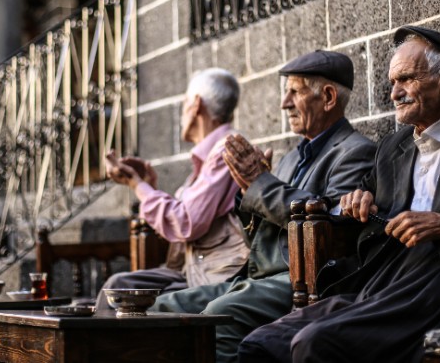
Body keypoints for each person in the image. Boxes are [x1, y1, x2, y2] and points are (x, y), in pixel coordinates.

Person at [239, 26, 440, 363]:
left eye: (406, 79)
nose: (394, 93)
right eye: (392, 82)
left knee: (316, 343)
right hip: (387, 277)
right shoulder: (393, 148)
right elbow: (367, 201)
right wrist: (357, 200)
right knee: (262, 343)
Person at [151, 51, 376, 362]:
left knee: (219, 317)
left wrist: (260, 183)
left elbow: (323, 221)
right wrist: (247, 193)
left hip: (302, 280)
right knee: (161, 306)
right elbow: (256, 240)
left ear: (327, 97)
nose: (284, 103)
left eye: (294, 92)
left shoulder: (356, 152)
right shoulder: (290, 158)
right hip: (255, 278)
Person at [97, 68, 250, 312]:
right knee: (118, 286)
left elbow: (186, 222)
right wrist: (147, 183)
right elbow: (186, 215)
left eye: (184, 103)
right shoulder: (210, 155)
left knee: (123, 294)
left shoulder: (225, 151)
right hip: (191, 268)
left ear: (196, 104)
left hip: (215, 274)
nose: (181, 113)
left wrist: (138, 185)